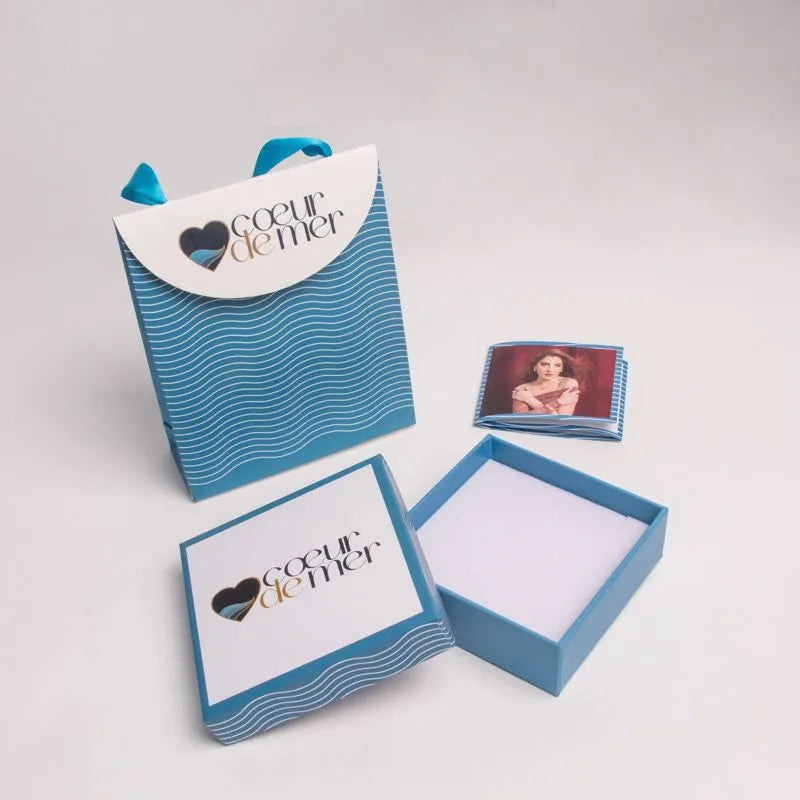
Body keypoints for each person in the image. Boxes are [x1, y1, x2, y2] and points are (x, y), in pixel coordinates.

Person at [511, 350, 582, 415]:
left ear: (561, 369)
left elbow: (560, 420)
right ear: (535, 367)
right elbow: (522, 419)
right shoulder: (522, 389)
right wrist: (559, 402)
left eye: (557, 365)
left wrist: (530, 400)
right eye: (544, 364)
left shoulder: (568, 383)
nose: (550, 370)